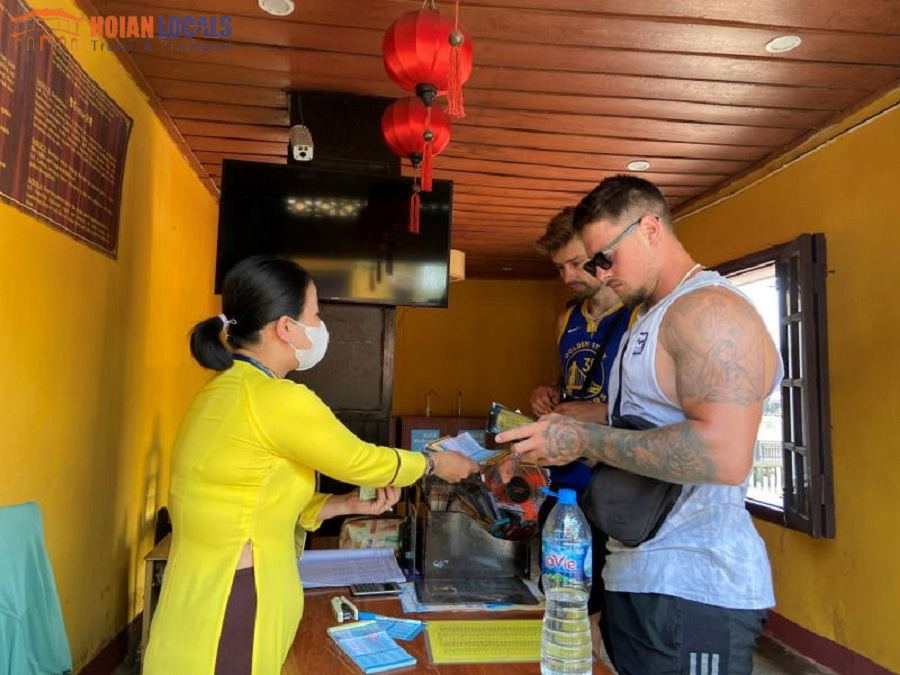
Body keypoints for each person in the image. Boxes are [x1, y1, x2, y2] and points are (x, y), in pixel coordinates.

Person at [497, 175, 783, 675]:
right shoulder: (645, 318)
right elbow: (641, 427)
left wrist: (584, 438)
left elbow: (724, 455)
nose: (600, 273)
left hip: (694, 584)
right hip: (636, 574)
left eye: (605, 257)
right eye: (592, 263)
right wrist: (561, 434)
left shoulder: (709, 311)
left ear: (650, 229)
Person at [143, 256, 479, 675]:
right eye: (315, 315)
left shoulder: (219, 392)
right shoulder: (276, 398)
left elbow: (251, 495)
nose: (320, 326)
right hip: (236, 596)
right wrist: (432, 463)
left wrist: (342, 505)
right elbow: (360, 460)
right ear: (286, 327)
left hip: (197, 593)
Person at [528, 206, 632, 657]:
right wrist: (547, 395)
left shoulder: (639, 315)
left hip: (614, 475)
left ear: (601, 254)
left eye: (576, 263)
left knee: (607, 596)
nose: (568, 276)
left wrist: (598, 412)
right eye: (560, 268)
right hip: (565, 476)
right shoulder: (566, 318)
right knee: (563, 588)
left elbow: (660, 410)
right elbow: (570, 383)